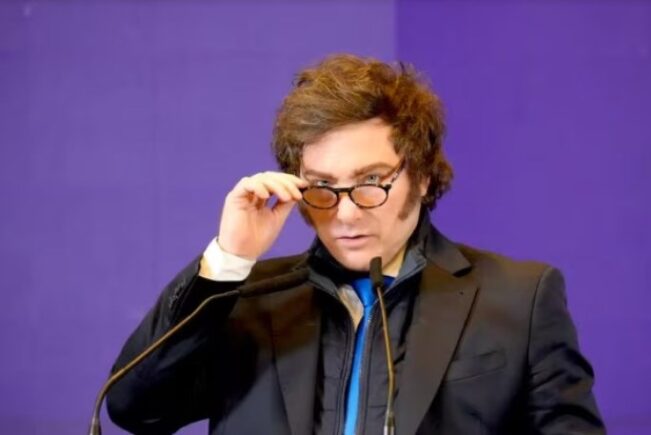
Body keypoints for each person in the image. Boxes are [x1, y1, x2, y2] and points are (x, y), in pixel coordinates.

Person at [106, 54, 605, 435]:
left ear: (422, 176)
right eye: (322, 185)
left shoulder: (519, 298)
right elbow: (136, 408)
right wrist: (229, 260)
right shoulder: (244, 299)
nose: (345, 213)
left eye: (370, 180)